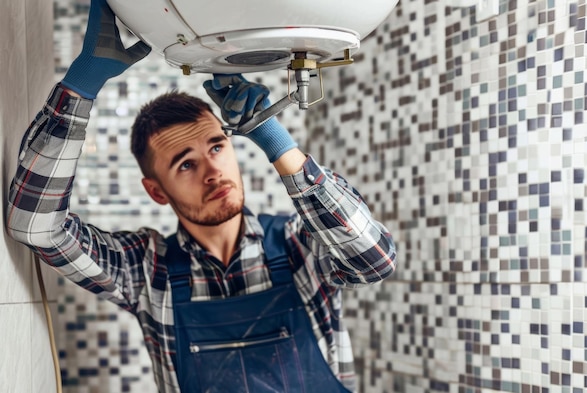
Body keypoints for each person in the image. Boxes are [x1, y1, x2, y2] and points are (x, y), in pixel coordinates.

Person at [5, 0, 397, 392]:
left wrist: (276, 140)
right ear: (156, 191)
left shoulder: (301, 246)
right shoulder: (145, 272)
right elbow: (37, 227)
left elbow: (375, 259)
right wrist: (80, 86)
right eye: (185, 165)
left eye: (216, 147)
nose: (212, 172)